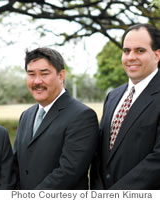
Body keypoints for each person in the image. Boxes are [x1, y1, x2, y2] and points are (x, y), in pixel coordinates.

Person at [13, 47, 99, 189]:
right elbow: (16, 164)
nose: (37, 81)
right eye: (31, 74)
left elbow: (69, 171)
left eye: (44, 74)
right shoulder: (26, 116)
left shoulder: (82, 116)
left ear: (61, 75)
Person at [90, 24, 160, 189]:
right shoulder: (113, 96)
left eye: (140, 51)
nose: (131, 57)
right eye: (126, 51)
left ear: (157, 55)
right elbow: (100, 153)